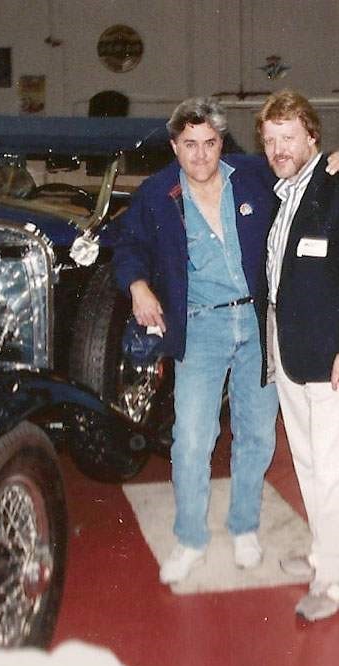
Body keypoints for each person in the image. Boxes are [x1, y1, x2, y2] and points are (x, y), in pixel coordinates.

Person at [112, 97, 280, 584]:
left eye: (209, 144)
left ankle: (244, 526)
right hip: (200, 327)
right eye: (190, 145)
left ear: (221, 143)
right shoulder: (156, 192)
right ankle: (189, 538)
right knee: (190, 439)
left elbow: (302, 177)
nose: (201, 155)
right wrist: (139, 287)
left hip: (256, 323)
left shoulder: (251, 176)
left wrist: (337, 162)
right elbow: (127, 247)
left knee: (256, 432)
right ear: (174, 146)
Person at [256, 89, 339, 621]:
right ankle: (332, 552)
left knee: (334, 468)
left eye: (289, 137)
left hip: (337, 358)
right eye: (269, 140)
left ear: (313, 136)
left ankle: (334, 582)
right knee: (310, 463)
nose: (278, 148)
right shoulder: (281, 192)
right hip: (290, 351)